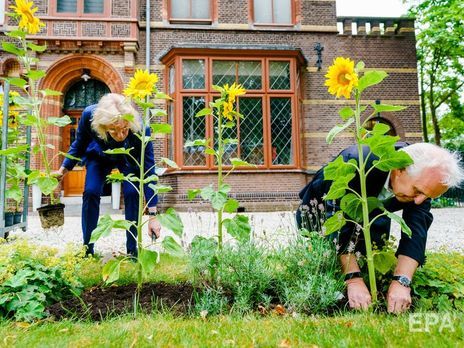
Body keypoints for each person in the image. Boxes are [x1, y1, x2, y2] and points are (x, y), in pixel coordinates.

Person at [296, 142, 464, 313]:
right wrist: (353, 279)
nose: (419, 201)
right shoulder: (355, 163)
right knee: (324, 250)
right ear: (399, 170)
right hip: (322, 207)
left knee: (372, 251)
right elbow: (339, 226)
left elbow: (416, 228)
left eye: (428, 196)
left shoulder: (422, 180)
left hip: (376, 207)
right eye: (418, 191)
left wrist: (401, 281)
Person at [56, 93, 161, 257]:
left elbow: (149, 169)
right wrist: (64, 169)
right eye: (113, 130)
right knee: (90, 191)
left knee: (132, 192)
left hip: (128, 156)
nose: (120, 136)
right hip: (99, 156)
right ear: (102, 126)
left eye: (125, 129)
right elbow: (79, 144)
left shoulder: (141, 128)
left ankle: (132, 251)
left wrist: (153, 214)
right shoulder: (89, 117)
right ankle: (88, 249)